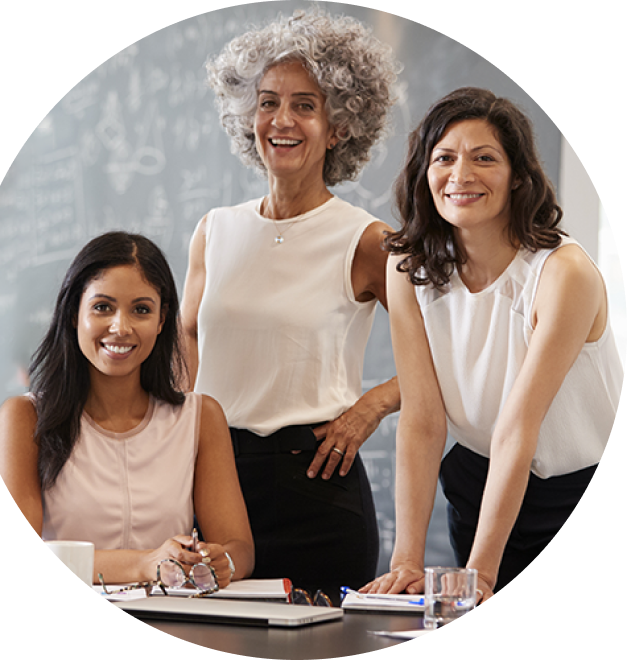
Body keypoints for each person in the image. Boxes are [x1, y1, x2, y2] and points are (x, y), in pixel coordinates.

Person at [362, 87, 622, 602]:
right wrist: (406, 559)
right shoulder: (406, 265)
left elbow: (517, 427)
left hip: (572, 488)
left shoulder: (563, 273)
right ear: (424, 174)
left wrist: (480, 574)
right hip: (481, 482)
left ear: (518, 177)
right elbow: (421, 418)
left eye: (485, 158)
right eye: (444, 158)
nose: (461, 175)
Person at [181, 9, 401, 595]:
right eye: (268, 101)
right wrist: (187, 442)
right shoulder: (214, 229)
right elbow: (186, 339)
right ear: (246, 115)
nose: (282, 120)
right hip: (214, 482)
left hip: (318, 484)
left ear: (340, 126)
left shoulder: (368, 240)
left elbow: (442, 357)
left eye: (305, 104)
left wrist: (369, 408)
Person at [0, 231, 254, 587]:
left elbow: (239, 548)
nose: (121, 327)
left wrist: (218, 561)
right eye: (102, 307)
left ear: (162, 321)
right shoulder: (24, 418)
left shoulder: (201, 417)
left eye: (141, 310)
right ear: (74, 314)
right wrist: (145, 564)